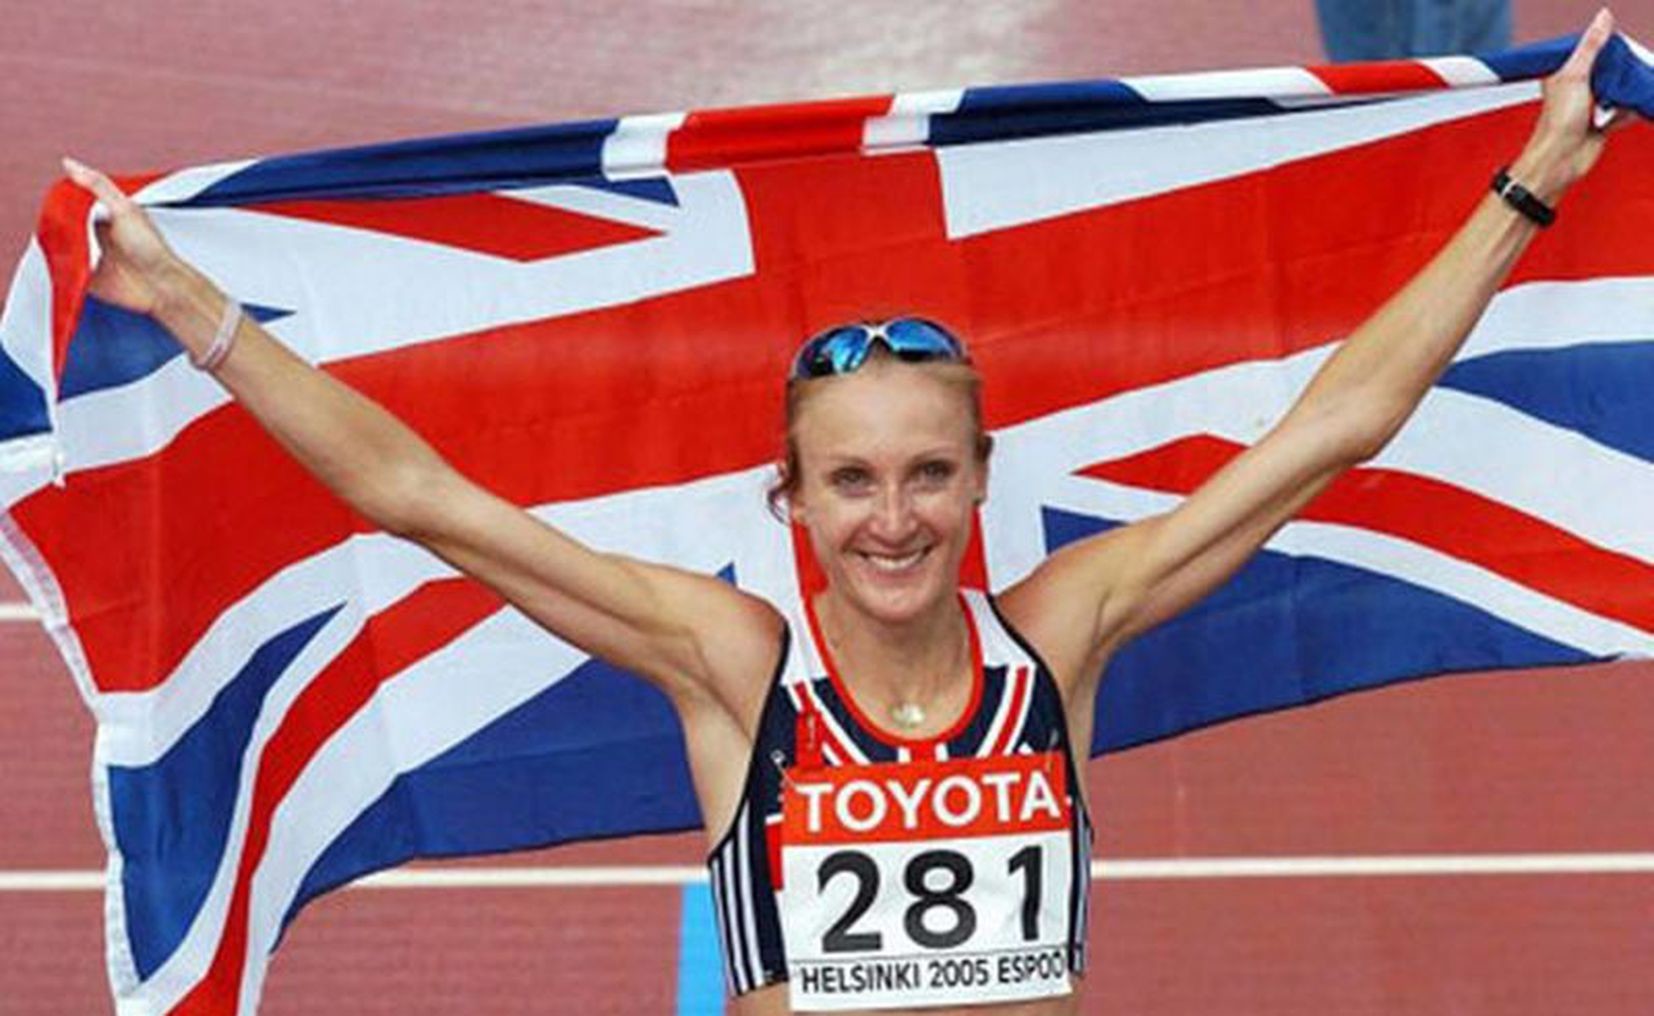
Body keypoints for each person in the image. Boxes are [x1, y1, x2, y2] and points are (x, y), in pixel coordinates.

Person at [61, 12, 1631, 1015]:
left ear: (981, 480)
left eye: (928, 474)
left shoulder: (1057, 637)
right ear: (792, 499)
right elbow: (422, 498)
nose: (895, 520)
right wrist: (195, 307)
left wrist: (1531, 185)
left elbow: (1332, 427)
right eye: (855, 482)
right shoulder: (732, 663)